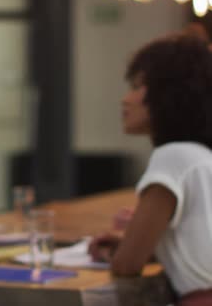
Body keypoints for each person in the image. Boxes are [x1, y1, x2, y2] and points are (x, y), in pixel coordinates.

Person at [88, 33, 212, 305]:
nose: (125, 99)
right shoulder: (203, 156)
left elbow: (127, 266)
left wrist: (120, 252)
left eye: (137, 86)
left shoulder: (173, 157)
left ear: (168, 93)